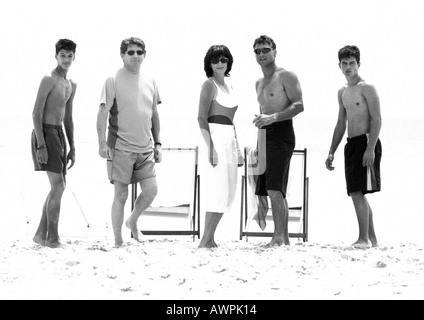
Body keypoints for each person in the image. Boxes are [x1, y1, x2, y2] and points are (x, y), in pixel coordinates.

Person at [97, 37, 162, 247]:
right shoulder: (113, 79)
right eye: (130, 52)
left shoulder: (151, 80)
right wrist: (101, 144)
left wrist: (158, 144)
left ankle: (132, 220)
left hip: (146, 148)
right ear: (122, 55)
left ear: (145, 55)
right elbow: (102, 113)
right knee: (121, 195)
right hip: (120, 147)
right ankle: (118, 241)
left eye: (139, 52)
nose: (135, 56)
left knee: (151, 190)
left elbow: (154, 114)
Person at [325, 45, 382, 249]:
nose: (348, 67)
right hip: (351, 145)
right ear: (339, 66)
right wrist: (332, 150)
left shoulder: (367, 88)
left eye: (352, 63)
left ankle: (363, 239)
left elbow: (377, 120)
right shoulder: (342, 92)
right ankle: (372, 240)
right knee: (357, 192)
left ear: (359, 64)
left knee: (358, 192)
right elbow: (341, 123)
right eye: (344, 63)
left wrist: (370, 148)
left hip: (366, 142)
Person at [252, 35, 304, 247]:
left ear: (275, 51)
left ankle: (278, 238)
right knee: (271, 188)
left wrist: (273, 118)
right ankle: (285, 238)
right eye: (257, 51)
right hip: (264, 136)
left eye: (265, 49)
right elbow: (263, 112)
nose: (262, 54)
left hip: (281, 132)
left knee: (275, 188)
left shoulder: (286, 75)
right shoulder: (258, 83)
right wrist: (258, 145)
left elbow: (299, 105)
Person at [31, 39, 77, 248]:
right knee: (58, 186)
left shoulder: (71, 85)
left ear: (74, 57)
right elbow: (36, 113)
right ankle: (53, 238)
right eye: (62, 55)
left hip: (59, 135)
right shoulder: (48, 80)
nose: (66, 59)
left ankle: (41, 234)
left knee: (57, 187)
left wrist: (73, 147)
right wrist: (41, 144)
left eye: (69, 56)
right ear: (56, 56)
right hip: (45, 133)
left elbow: (68, 119)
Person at [197, 45, 243, 248]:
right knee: (217, 190)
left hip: (230, 141)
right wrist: (210, 148)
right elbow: (201, 117)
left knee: (228, 191)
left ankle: (210, 238)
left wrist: (239, 149)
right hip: (215, 140)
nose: (220, 63)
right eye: (215, 60)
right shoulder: (209, 85)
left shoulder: (230, 86)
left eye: (224, 59)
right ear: (209, 63)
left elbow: (231, 122)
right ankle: (205, 240)